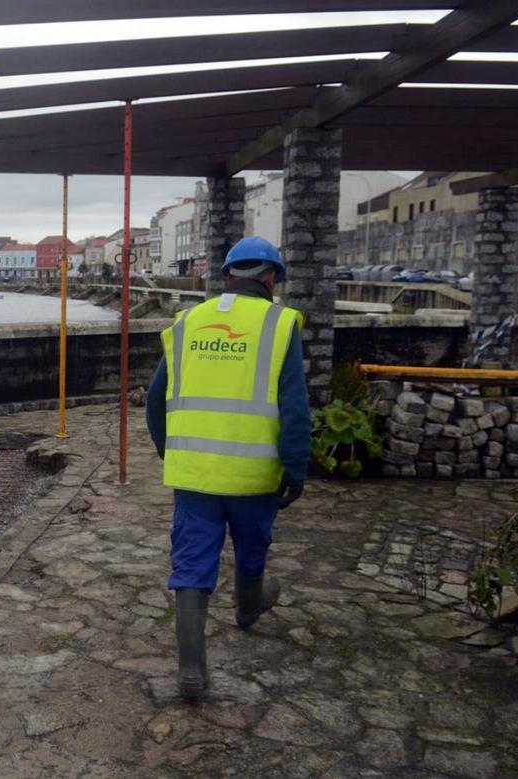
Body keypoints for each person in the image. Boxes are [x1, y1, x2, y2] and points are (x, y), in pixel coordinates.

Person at [146, 236, 311, 702]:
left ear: (225, 278)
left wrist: (171, 451)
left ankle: (192, 673)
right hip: (254, 476)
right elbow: (296, 408)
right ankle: (247, 608)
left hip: (194, 475)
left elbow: (156, 400)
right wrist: (295, 469)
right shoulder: (280, 325)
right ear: (272, 279)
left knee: (193, 562)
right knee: (252, 547)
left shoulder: (187, 322)